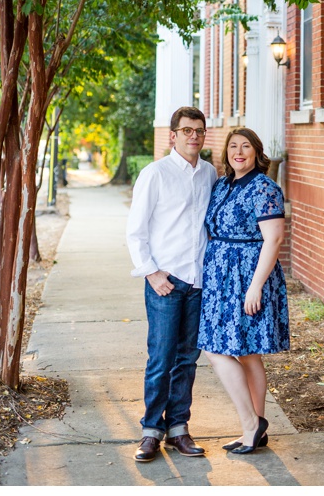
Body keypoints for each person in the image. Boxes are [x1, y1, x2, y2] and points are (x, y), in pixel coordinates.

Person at [126, 106, 217, 462]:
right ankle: (151, 430)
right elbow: (136, 230)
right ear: (173, 135)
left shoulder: (209, 173)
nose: (194, 136)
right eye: (187, 130)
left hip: (198, 283)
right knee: (161, 359)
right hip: (166, 281)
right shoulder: (155, 174)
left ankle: (178, 428)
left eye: (199, 130)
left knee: (188, 360)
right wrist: (151, 272)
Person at [198, 127, 289, 454]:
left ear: (256, 152)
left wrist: (255, 287)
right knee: (245, 352)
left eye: (246, 146)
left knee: (218, 349)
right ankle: (255, 429)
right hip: (220, 279)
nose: (239, 151)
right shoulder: (222, 184)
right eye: (233, 146)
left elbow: (274, 239)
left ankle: (251, 423)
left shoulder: (265, 188)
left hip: (248, 277)